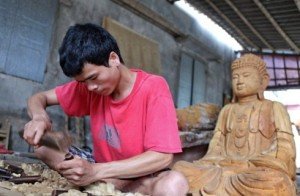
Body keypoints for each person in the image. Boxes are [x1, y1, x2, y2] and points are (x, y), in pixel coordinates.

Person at [23, 23, 188, 195]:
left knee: (174, 183)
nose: (90, 87)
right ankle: (98, 186)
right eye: (83, 82)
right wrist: (39, 117)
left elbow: (162, 157)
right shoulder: (91, 87)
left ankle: (97, 186)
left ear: (113, 58)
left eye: (93, 77)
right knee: (42, 143)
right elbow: (39, 98)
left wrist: (96, 172)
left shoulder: (154, 87)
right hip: (99, 170)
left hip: (136, 176)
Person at [173, 54, 296, 195]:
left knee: (274, 180)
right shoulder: (227, 110)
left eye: (246, 75)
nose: (239, 81)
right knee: (180, 169)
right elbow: (216, 146)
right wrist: (218, 162)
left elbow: (285, 147)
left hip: (252, 171)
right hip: (221, 169)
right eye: (235, 77)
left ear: (263, 81)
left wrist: (250, 164)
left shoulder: (275, 108)